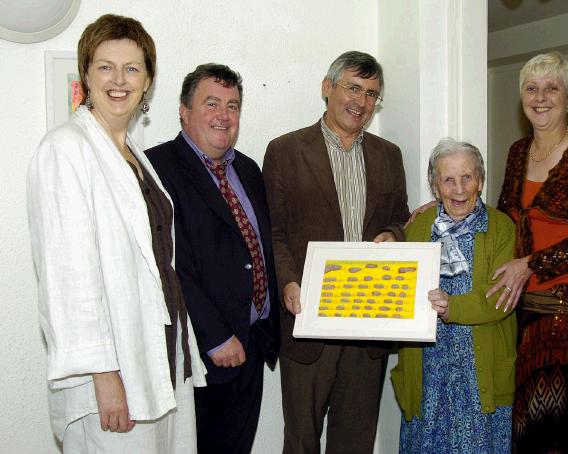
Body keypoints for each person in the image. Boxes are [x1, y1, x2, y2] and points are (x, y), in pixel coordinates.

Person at [26, 14, 206, 453]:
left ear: (148, 81)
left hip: (158, 361)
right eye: (106, 66)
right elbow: (66, 277)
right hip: (111, 376)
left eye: (132, 68)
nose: (119, 80)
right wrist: (102, 375)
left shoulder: (135, 157)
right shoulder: (65, 149)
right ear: (86, 73)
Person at [262, 51, 410, 454]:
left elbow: (400, 219)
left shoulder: (388, 155)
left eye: (371, 94)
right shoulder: (285, 150)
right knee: (302, 440)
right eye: (353, 88)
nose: (361, 102)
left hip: (368, 325)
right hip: (308, 318)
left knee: (355, 441)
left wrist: (394, 236)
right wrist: (289, 281)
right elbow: (274, 232)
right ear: (328, 88)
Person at [487, 51, 568, 453]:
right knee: (534, 414)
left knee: (565, 420)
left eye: (552, 88)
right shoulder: (517, 152)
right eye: (531, 88)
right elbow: (502, 220)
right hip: (528, 302)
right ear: (521, 96)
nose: (540, 97)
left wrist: (531, 264)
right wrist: (446, 206)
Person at [145, 63, 279, 454]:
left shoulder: (248, 169)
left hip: (252, 342)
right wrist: (216, 336)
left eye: (233, 105)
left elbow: (261, 247)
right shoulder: (157, 169)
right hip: (203, 353)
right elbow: (167, 263)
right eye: (212, 103)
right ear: (184, 111)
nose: (224, 115)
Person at [391, 138, 516, 453]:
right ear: (435, 186)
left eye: (467, 177)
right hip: (429, 369)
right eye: (448, 179)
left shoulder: (501, 228)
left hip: (478, 372)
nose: (459, 189)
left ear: (480, 181)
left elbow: (500, 297)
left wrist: (451, 306)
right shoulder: (418, 228)